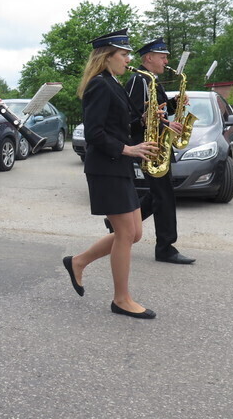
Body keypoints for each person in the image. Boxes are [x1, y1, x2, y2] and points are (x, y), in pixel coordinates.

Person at [62, 29, 159, 320]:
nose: (129, 59)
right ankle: (121, 299)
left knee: (134, 233)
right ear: (107, 56)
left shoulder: (113, 83)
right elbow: (94, 134)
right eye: (124, 54)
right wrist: (128, 150)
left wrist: (151, 120)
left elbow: (122, 124)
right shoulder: (99, 85)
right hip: (106, 168)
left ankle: (79, 261)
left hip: (118, 167)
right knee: (126, 233)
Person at [122, 38, 196, 264]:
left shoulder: (153, 80)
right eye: (162, 56)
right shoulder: (139, 80)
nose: (166, 61)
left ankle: (119, 222)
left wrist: (175, 104)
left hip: (158, 144)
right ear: (148, 58)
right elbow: (132, 117)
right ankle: (165, 247)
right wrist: (166, 126)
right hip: (148, 146)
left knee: (158, 194)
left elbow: (158, 112)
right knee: (164, 195)